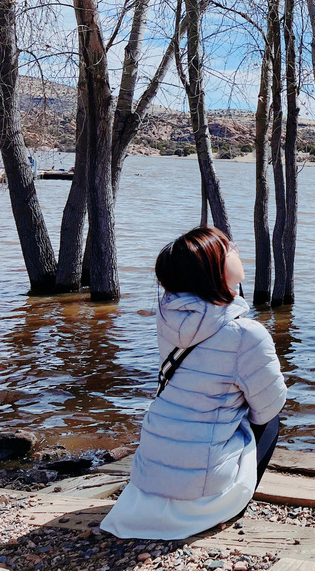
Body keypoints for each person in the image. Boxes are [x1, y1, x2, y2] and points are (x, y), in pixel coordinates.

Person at [101, 226, 287, 540]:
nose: (237, 251)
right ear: (214, 269)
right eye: (230, 248)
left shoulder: (168, 314)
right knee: (271, 419)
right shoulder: (247, 334)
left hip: (148, 477)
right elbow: (268, 408)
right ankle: (230, 503)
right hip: (202, 493)